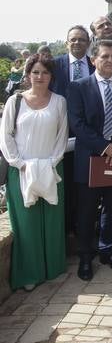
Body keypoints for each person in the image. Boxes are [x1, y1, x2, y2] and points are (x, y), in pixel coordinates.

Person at [0, 53, 68, 291]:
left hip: (52, 168)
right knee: (26, 224)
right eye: (35, 72)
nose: (40, 76)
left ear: (51, 76)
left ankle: (52, 268)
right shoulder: (15, 101)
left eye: (45, 72)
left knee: (51, 221)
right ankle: (29, 273)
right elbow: (5, 136)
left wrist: (51, 162)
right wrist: (20, 164)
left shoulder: (59, 102)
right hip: (20, 170)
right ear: (28, 75)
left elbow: (62, 135)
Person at [68, 39, 112, 281]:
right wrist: (106, 147)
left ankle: (109, 251)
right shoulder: (79, 87)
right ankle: (86, 256)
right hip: (89, 160)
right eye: (105, 56)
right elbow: (78, 124)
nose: (110, 61)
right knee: (86, 211)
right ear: (93, 60)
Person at [52, 24, 94, 235]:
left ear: (89, 43)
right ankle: (67, 226)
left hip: (89, 133)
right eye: (73, 39)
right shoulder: (54, 65)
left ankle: (86, 226)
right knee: (66, 180)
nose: (77, 43)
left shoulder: (95, 65)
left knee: (88, 183)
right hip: (61, 133)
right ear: (66, 42)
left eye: (82, 39)